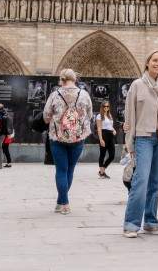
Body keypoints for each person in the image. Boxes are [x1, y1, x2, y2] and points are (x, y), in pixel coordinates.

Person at [122, 51, 158, 238]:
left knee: (156, 182)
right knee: (140, 181)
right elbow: (130, 115)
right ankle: (131, 224)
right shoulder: (137, 85)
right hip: (143, 137)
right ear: (147, 63)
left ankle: (151, 221)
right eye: (155, 60)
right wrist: (130, 143)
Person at [43, 68, 93, 214]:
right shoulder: (84, 95)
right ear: (75, 79)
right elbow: (89, 115)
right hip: (78, 137)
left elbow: (46, 116)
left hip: (57, 137)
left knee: (61, 169)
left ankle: (64, 203)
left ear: (62, 80)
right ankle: (61, 201)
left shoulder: (54, 94)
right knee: (70, 169)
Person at [96, 101, 116, 179]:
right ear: (102, 107)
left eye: (107, 106)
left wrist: (113, 130)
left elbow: (110, 126)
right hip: (103, 135)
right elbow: (99, 128)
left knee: (112, 155)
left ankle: (102, 170)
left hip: (110, 135)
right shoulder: (99, 116)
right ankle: (102, 173)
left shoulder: (110, 115)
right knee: (102, 154)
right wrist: (101, 139)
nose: (106, 108)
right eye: (104, 106)